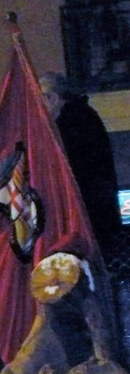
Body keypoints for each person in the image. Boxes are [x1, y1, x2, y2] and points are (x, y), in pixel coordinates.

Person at [40, 71, 121, 257]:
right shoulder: (82, 115)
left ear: (52, 98)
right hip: (95, 205)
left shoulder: (73, 122)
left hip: (87, 208)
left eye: (41, 99)